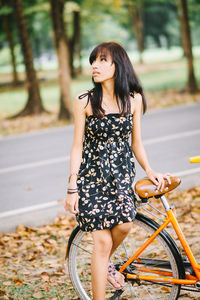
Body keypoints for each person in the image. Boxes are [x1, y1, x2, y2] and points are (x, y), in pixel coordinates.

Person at [65, 42, 171, 300]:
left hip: (120, 177)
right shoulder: (85, 101)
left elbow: (136, 143)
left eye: (102, 60)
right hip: (91, 179)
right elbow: (77, 146)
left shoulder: (134, 100)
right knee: (101, 243)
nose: (95, 65)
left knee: (124, 225)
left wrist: (149, 169)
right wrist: (72, 186)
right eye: (94, 60)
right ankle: (101, 276)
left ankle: (105, 264)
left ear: (118, 65)